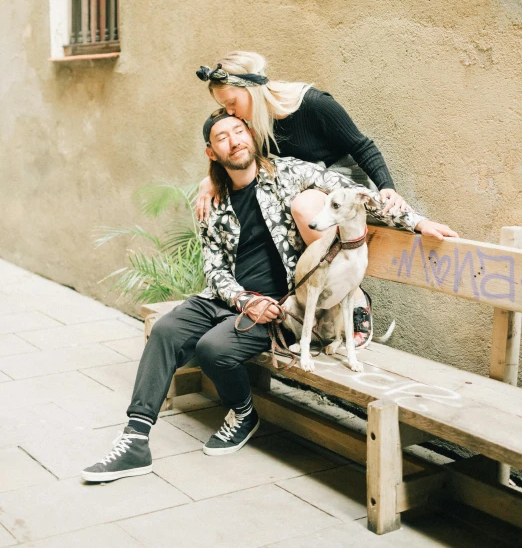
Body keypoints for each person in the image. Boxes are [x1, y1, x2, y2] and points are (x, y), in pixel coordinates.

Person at [81, 111, 457, 483]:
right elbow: (214, 269)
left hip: (282, 306)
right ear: (212, 152)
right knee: (165, 331)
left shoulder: (290, 174)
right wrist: (242, 299)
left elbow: (361, 198)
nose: (234, 140)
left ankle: (243, 414)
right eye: (222, 137)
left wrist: (418, 222)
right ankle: (134, 439)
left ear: (251, 135)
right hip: (230, 298)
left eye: (238, 131)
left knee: (215, 348)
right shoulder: (211, 200)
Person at [196, 51, 410, 347]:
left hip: (338, 185)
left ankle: (356, 294)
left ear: (251, 88)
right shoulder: (255, 121)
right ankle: (318, 308)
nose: (230, 113)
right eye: (224, 108)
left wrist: (388, 189)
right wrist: (212, 179)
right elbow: (245, 159)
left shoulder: (313, 105)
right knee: (293, 206)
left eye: (231, 103)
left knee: (304, 204)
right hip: (307, 183)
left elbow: (363, 146)